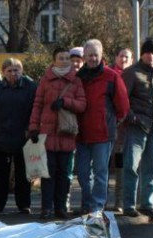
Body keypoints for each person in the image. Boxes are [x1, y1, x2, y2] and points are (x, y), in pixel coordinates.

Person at [28, 47, 87, 219]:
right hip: (47, 134)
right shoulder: (46, 80)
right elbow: (37, 104)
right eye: (61, 58)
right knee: (48, 173)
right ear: (54, 60)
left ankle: (60, 207)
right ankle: (46, 208)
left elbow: (82, 104)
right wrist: (33, 127)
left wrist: (65, 102)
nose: (65, 60)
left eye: (67, 58)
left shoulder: (76, 81)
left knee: (64, 174)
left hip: (67, 133)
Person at [74, 39, 129, 214]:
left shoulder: (111, 76)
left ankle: (96, 206)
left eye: (95, 55)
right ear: (84, 56)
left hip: (103, 134)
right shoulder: (78, 77)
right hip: (81, 133)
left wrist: (112, 122)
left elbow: (123, 105)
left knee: (100, 173)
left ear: (101, 55)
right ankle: (88, 202)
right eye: (89, 55)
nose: (93, 58)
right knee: (82, 174)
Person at [122, 39, 153, 221]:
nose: (152, 56)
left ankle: (147, 204)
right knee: (131, 166)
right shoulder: (131, 72)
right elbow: (123, 100)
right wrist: (132, 117)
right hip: (136, 126)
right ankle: (129, 205)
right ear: (142, 54)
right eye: (148, 52)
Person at [0, 57, 37, 214]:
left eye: (17, 70)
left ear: (21, 71)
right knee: (1, 175)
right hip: (2, 138)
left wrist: (31, 130)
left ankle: (24, 205)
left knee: (23, 175)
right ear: (3, 72)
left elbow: (36, 110)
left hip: (24, 138)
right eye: (10, 71)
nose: (13, 74)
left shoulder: (31, 88)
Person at [106, 47, 133, 213]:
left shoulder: (133, 75)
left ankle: (119, 201)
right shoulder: (108, 74)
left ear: (131, 60)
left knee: (121, 164)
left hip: (125, 128)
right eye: (121, 56)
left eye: (127, 57)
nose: (123, 59)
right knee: (104, 165)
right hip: (108, 125)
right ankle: (101, 201)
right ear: (116, 57)